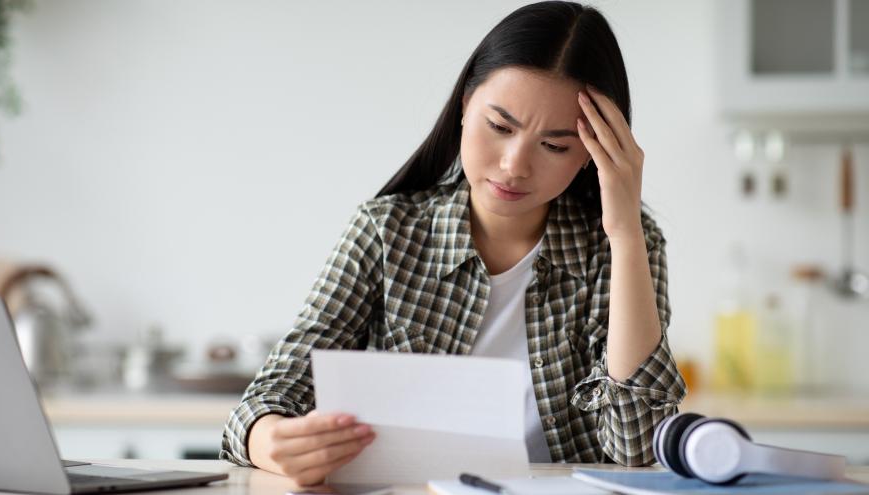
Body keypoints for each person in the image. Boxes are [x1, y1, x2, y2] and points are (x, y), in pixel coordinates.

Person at [220, 0, 686, 485]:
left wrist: (626, 233)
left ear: (594, 153)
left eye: (555, 145)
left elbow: (639, 446)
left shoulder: (622, 246)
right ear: (465, 106)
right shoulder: (387, 232)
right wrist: (271, 440)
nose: (514, 165)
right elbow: (266, 400)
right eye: (500, 127)